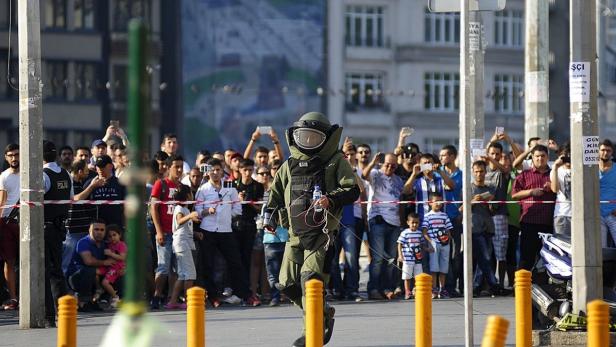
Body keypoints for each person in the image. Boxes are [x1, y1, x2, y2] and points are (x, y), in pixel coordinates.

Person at [266, 112, 360, 346]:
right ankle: (323, 312)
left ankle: (311, 331)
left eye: (314, 137)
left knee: (310, 281)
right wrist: (269, 217)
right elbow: (275, 193)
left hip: (323, 234)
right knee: (286, 283)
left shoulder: (336, 161)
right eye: (303, 137)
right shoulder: (289, 165)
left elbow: (352, 190)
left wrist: (331, 199)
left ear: (326, 138)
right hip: (294, 234)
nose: (307, 142)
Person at [194, 158, 255, 307]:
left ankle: (244, 294)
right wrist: (207, 211)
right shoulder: (203, 190)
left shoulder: (230, 188)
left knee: (235, 262)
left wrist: (228, 217)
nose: (215, 173)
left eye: (218, 170)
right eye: (212, 170)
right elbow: (196, 212)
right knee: (208, 264)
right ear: (208, 172)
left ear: (222, 171)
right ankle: (213, 296)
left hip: (226, 230)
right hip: (207, 230)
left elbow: (237, 208)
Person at [362, 152, 404, 300]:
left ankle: (387, 288)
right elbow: (364, 175)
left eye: (393, 166)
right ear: (382, 164)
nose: (390, 168)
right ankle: (373, 288)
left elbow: (405, 192)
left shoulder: (398, 180)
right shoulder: (375, 173)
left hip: (395, 222)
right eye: (387, 164)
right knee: (378, 258)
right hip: (378, 219)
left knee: (391, 259)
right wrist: (373, 162)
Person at [511, 145, 556, 270]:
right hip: (529, 222)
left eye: (543, 156)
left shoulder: (554, 174)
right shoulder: (525, 174)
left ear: (547, 157)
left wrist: (553, 186)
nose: (540, 159)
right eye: (537, 156)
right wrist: (531, 192)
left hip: (549, 223)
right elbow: (514, 195)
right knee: (526, 258)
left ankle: (545, 287)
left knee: (549, 259)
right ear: (532, 158)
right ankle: (521, 289)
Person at [43, 140, 72, 326]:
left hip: (44, 228)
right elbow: (70, 199)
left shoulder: (42, 175)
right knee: (57, 271)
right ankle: (63, 313)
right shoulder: (65, 174)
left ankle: (48, 315)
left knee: (44, 272)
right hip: (60, 227)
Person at [149, 154, 184, 309]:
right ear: (169, 167)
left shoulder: (182, 187)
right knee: (163, 267)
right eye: (176, 166)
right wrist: (159, 231)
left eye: (181, 167)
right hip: (165, 232)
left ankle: (172, 299)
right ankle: (156, 297)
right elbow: (153, 208)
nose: (179, 170)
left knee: (176, 269)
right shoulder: (160, 184)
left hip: (179, 233)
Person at [233, 158, 265, 306]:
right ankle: (236, 291)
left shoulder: (258, 186)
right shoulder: (233, 185)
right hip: (234, 225)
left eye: (250, 170)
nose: (247, 173)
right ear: (240, 170)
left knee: (247, 259)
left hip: (250, 225)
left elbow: (260, 208)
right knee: (235, 259)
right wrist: (237, 200)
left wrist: (249, 202)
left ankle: (248, 293)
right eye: (245, 170)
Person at [467, 160, 500, 297]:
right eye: (476, 171)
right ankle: (492, 284)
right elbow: (461, 208)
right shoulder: (468, 188)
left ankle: (478, 286)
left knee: (484, 260)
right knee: (484, 258)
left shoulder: (491, 188)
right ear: (473, 172)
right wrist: (473, 201)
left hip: (488, 228)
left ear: (485, 172)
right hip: (474, 228)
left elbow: (495, 209)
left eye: (481, 171)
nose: (479, 174)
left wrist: (489, 203)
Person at [166, 185, 200, 310]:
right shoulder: (180, 208)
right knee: (190, 274)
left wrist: (196, 233)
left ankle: (173, 301)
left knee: (182, 274)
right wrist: (190, 216)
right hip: (182, 244)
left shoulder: (185, 209)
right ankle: (188, 301)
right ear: (187, 196)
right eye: (191, 193)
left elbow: (182, 227)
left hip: (182, 242)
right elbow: (180, 221)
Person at [67, 220, 112, 312]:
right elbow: (88, 261)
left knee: (118, 271)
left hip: (95, 274)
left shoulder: (105, 244)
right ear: (90, 230)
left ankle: (102, 300)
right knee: (89, 270)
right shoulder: (83, 242)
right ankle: (84, 302)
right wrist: (105, 263)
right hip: (76, 278)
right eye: (96, 229)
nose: (99, 232)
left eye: (102, 230)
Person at [62, 160, 97, 275]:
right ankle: (65, 291)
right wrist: (91, 187)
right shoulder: (69, 183)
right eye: (86, 171)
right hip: (72, 231)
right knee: (66, 264)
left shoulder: (80, 184)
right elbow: (75, 199)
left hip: (83, 231)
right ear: (80, 171)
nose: (88, 173)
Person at [438, 145, 463, 296]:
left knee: (454, 254)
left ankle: (453, 286)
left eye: (444, 155)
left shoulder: (460, 174)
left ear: (453, 156)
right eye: (440, 156)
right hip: (439, 219)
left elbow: (452, 186)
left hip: (454, 219)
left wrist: (440, 172)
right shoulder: (437, 173)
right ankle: (443, 286)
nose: (441, 158)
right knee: (441, 254)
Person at [421, 193, 453, 299]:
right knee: (434, 268)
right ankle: (434, 289)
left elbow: (448, 229)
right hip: (434, 245)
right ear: (430, 203)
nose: (438, 203)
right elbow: (425, 232)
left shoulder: (444, 215)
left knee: (444, 267)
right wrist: (431, 242)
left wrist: (448, 240)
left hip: (444, 245)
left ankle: (442, 289)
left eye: (440, 201)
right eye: (436, 201)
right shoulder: (427, 216)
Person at [0, 143, 19, 310]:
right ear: (6, 158)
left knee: (32, 259)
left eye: (17, 154)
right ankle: (13, 298)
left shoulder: (31, 173)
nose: (14, 158)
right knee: (9, 261)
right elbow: (2, 202)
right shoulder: (4, 176)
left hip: (28, 222)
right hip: (7, 223)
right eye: (11, 155)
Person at [82, 155, 126, 228]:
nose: (100, 169)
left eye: (103, 166)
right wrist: (92, 186)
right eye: (98, 166)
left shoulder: (120, 183)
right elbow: (79, 201)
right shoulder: (89, 183)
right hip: (95, 228)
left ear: (111, 166)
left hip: (115, 228)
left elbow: (126, 207)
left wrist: (125, 226)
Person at [97, 224, 126, 308]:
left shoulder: (121, 245)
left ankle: (115, 298)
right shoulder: (109, 244)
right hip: (108, 266)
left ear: (119, 235)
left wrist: (111, 254)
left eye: (114, 235)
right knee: (95, 272)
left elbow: (122, 257)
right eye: (109, 236)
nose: (112, 238)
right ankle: (99, 289)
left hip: (116, 267)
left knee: (105, 282)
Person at [397, 212, 425, 300]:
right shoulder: (405, 233)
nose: (414, 224)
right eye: (412, 222)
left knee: (418, 276)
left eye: (416, 222)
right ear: (408, 222)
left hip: (417, 259)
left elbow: (422, 244)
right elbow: (399, 244)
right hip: (407, 259)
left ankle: (416, 290)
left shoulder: (419, 233)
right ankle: (407, 291)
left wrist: (424, 251)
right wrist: (400, 255)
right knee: (407, 276)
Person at [551, 143, 572, 236]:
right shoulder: (556, 169)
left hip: (580, 215)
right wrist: (555, 167)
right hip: (562, 213)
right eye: (565, 155)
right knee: (561, 247)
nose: (568, 157)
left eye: (570, 154)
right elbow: (555, 189)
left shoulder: (581, 169)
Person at [599, 140, 616, 245]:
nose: (605, 153)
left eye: (608, 150)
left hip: (613, 213)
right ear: (598, 151)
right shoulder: (590, 169)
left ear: (612, 152)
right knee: (601, 250)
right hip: (597, 214)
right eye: (602, 150)